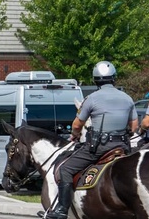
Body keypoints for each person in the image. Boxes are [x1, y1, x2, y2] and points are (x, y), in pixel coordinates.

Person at [41, 61, 138, 219]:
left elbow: (77, 124)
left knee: (66, 169)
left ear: (95, 80)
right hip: (122, 147)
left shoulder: (91, 99)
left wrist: (75, 134)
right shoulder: (127, 98)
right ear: (114, 78)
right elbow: (134, 126)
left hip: (99, 147)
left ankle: (61, 210)